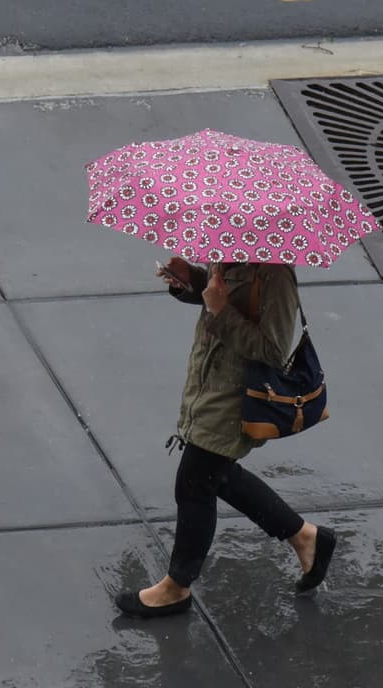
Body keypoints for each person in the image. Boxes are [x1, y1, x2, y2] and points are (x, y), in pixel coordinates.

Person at [115, 257, 336, 618]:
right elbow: (223, 297)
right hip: (209, 384)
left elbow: (274, 350)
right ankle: (306, 537)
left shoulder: (277, 275)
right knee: (216, 475)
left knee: (193, 484)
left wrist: (219, 311)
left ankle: (176, 587)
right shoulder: (235, 251)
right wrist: (191, 282)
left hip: (235, 397)